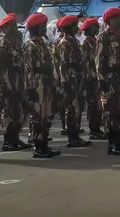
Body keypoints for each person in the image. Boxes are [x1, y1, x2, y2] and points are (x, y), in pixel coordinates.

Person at [96, 6, 120, 156]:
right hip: (111, 78)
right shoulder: (103, 37)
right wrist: (102, 81)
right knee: (111, 112)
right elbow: (99, 61)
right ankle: (112, 143)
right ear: (112, 20)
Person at [23, 13, 61, 159]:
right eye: (42, 26)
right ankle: (38, 146)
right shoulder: (30, 45)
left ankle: (44, 144)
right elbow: (28, 69)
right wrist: (30, 89)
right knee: (38, 116)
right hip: (37, 86)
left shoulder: (43, 43)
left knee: (46, 116)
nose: (45, 29)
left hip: (47, 85)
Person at [0, 13, 32, 151]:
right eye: (13, 26)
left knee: (19, 113)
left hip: (19, 83)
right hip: (9, 85)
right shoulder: (3, 45)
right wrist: (6, 86)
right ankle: (8, 140)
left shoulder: (16, 43)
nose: (16, 29)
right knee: (9, 113)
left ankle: (15, 138)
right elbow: (0, 68)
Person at [53, 14, 91, 148]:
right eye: (74, 26)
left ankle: (75, 134)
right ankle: (72, 137)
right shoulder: (65, 43)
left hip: (76, 78)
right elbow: (65, 64)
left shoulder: (74, 41)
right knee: (71, 108)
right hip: (69, 80)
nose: (77, 28)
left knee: (77, 108)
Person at [79, 17, 106, 140]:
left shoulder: (94, 41)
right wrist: (87, 80)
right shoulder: (86, 44)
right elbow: (85, 63)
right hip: (90, 79)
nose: (97, 29)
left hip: (96, 78)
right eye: (94, 27)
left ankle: (97, 129)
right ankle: (93, 130)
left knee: (98, 106)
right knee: (92, 106)